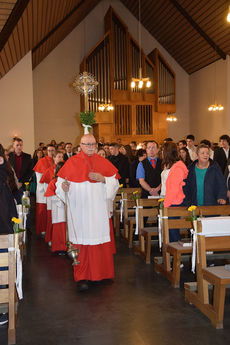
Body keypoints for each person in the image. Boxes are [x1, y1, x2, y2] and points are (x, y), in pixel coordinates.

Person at [55, 134, 119, 291]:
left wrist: (103, 178)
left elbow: (115, 183)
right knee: (81, 244)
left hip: (98, 211)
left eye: (93, 144)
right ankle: (82, 277)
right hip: (79, 212)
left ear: (96, 146)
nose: (90, 147)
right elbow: (59, 185)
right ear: (80, 145)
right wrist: (63, 187)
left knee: (99, 241)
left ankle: (101, 274)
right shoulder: (71, 162)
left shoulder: (103, 162)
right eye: (87, 144)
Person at [161, 142, 188, 242]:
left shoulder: (178, 167)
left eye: (163, 151)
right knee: (169, 230)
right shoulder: (171, 165)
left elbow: (174, 188)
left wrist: (166, 204)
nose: (161, 153)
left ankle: (177, 253)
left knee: (172, 230)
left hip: (174, 202)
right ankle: (171, 252)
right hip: (170, 200)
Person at [33, 145, 55, 235]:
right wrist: (46, 186)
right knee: (42, 210)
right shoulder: (41, 162)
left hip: (54, 190)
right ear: (46, 151)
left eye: (53, 150)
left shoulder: (57, 160)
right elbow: (39, 178)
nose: (51, 152)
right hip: (43, 189)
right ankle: (42, 229)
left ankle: (51, 229)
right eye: (49, 150)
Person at [45, 162, 67, 254]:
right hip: (59, 208)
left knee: (66, 228)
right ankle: (59, 247)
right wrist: (61, 202)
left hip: (66, 208)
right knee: (59, 227)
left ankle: (66, 246)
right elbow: (50, 195)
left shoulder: (68, 180)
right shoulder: (53, 181)